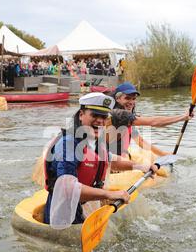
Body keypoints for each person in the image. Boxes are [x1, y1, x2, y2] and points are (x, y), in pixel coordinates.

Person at [43, 92, 159, 227]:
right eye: (94, 115)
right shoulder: (68, 144)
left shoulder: (95, 140)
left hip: (84, 206)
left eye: (103, 117)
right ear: (81, 115)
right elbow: (68, 187)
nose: (100, 121)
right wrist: (108, 194)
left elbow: (110, 160)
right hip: (64, 215)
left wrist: (140, 166)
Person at [108, 82, 193, 158]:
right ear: (117, 98)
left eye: (133, 99)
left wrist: (163, 154)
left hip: (117, 159)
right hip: (110, 164)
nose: (131, 102)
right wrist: (182, 117)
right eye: (127, 98)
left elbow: (140, 141)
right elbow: (154, 122)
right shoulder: (118, 114)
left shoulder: (125, 117)